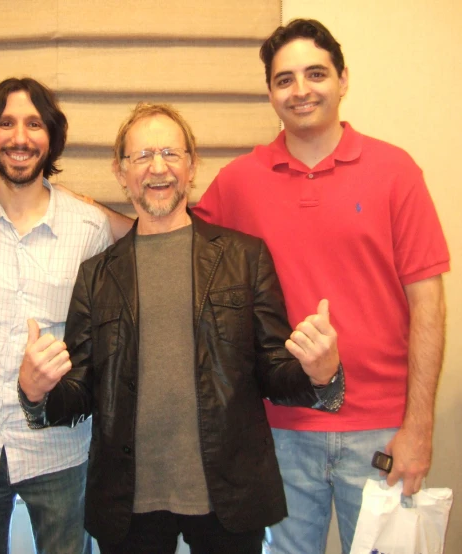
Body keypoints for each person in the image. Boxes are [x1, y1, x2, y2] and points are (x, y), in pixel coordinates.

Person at [18, 103, 343, 553]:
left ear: (191, 166)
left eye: (171, 153)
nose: (158, 167)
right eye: (142, 155)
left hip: (229, 495)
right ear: (121, 171)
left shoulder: (244, 258)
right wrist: (38, 393)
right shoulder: (96, 275)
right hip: (127, 503)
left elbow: (272, 372)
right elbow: (82, 391)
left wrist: (318, 373)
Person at [192, 20, 450, 554]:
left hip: (380, 431)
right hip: (280, 429)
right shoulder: (240, 180)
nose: (301, 90)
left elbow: (428, 305)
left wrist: (418, 427)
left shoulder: (395, 172)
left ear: (342, 79)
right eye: (285, 79)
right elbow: (170, 235)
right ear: (269, 93)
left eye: (316, 74)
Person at [0, 77, 112, 554]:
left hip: (60, 447)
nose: (19, 137)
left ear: (50, 137)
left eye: (34, 123)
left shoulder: (89, 227)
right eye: (6, 123)